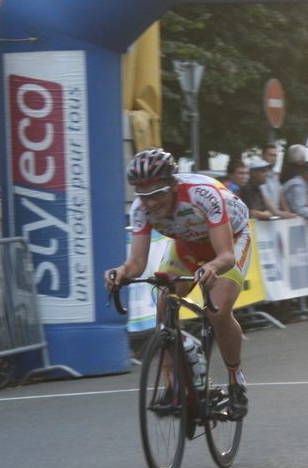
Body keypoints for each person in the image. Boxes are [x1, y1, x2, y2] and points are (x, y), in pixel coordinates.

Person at [104, 148, 251, 419]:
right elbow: (137, 263)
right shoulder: (141, 209)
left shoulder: (202, 195)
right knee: (164, 306)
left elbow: (226, 256)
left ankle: (236, 380)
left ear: (172, 185)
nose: (150, 203)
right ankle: (173, 385)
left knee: (218, 310)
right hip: (188, 245)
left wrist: (212, 267)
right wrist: (121, 271)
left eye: (156, 194)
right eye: (143, 195)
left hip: (230, 239)